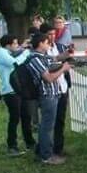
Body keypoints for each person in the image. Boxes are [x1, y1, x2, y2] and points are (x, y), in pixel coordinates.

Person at [24, 32, 70, 165]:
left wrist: (66, 54)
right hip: (47, 95)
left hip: (53, 94)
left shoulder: (42, 57)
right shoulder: (35, 59)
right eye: (46, 43)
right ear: (40, 44)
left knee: (47, 125)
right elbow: (48, 78)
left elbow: (55, 58)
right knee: (47, 127)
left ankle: (41, 152)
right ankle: (46, 156)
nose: (49, 45)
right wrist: (63, 69)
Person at [0, 35, 31, 155]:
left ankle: (29, 142)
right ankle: (12, 146)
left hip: (18, 89)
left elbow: (15, 54)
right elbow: (15, 63)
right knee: (15, 118)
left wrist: (22, 48)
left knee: (26, 116)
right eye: (15, 43)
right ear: (8, 45)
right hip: (10, 91)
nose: (17, 45)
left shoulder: (7, 52)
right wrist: (26, 53)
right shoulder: (1, 52)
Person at [43, 21, 71, 157]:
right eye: (49, 34)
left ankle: (58, 148)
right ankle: (46, 149)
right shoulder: (42, 50)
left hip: (62, 87)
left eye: (54, 34)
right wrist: (61, 65)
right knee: (49, 122)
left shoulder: (59, 47)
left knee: (60, 120)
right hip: (50, 90)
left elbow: (66, 61)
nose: (52, 37)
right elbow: (48, 66)